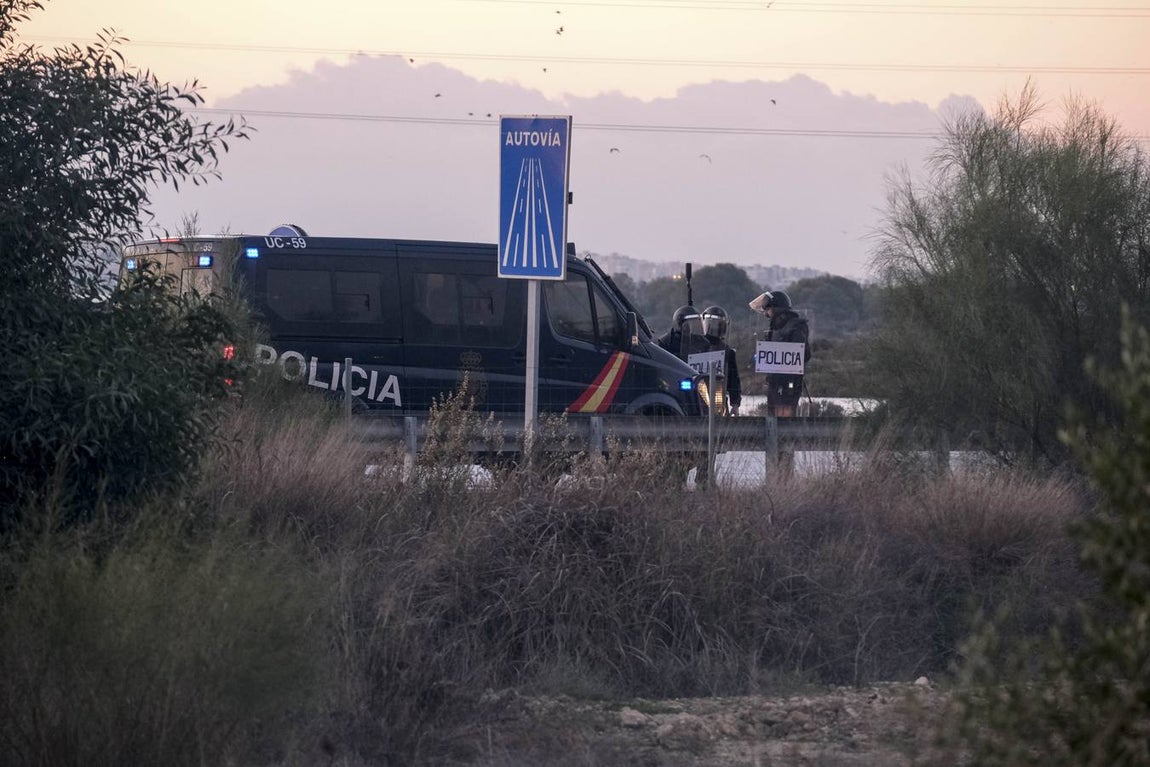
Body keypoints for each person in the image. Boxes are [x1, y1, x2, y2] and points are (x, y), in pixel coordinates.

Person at [749, 290, 809, 417]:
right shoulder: (774, 329)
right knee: (772, 416)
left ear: (776, 309)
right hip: (773, 381)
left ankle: (786, 437)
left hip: (789, 382)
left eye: (768, 309)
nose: (766, 313)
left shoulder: (796, 326)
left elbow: (804, 354)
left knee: (786, 416)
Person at [700, 305, 741, 416]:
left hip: (719, 400)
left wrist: (735, 404)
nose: (714, 329)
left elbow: (733, 379)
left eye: (718, 325)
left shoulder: (727, 351)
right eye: (711, 324)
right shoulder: (696, 347)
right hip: (698, 399)